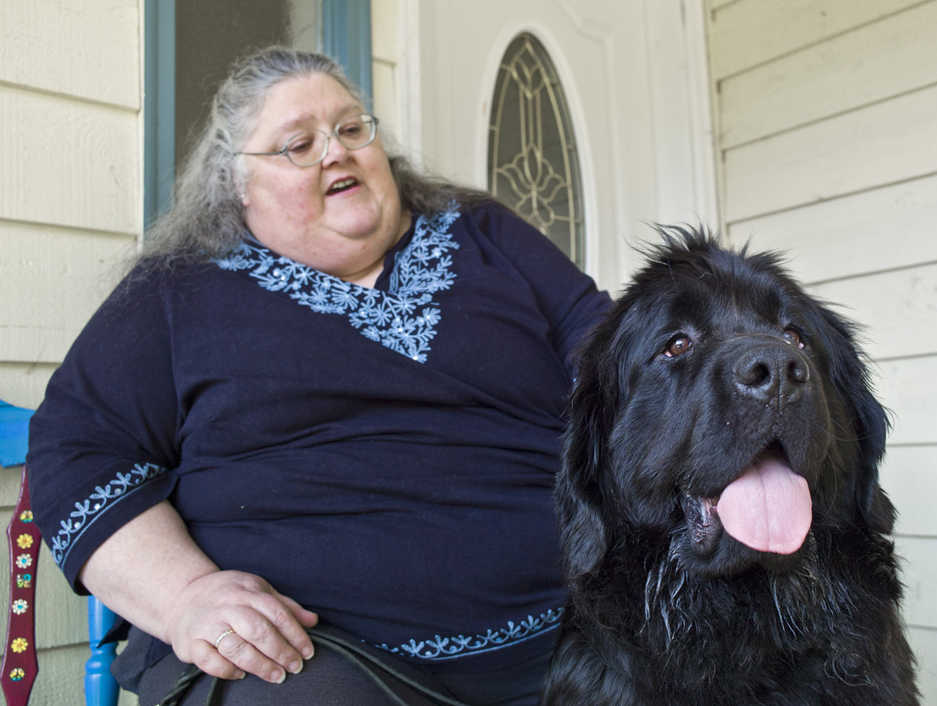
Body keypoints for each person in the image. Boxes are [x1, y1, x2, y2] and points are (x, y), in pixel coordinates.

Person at [27, 46, 610, 705]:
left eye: (351, 128)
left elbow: (616, 353)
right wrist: (185, 597)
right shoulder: (175, 292)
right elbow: (77, 448)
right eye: (297, 144)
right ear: (238, 184)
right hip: (316, 660)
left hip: (578, 635)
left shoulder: (484, 234)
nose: (335, 152)